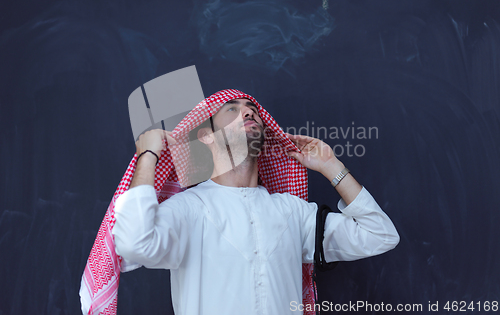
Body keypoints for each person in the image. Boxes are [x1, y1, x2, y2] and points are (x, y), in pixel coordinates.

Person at [80, 89, 399, 315]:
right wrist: (148, 156)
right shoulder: (189, 210)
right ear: (206, 136)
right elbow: (134, 243)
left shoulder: (292, 212)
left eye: (252, 109)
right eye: (231, 109)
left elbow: (380, 235)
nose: (248, 111)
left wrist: (331, 167)